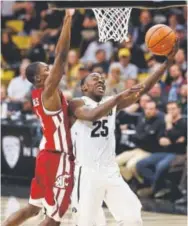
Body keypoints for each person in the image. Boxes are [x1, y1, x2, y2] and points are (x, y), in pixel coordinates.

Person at [69, 41, 178, 226]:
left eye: (102, 79)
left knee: (133, 219)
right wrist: (119, 97)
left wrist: (166, 64)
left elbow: (143, 88)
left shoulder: (112, 102)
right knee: (87, 223)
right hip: (87, 172)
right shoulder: (77, 103)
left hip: (110, 170)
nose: (100, 81)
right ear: (84, 87)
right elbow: (92, 115)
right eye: (95, 79)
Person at [3, 9, 75, 226]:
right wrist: (68, 19)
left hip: (46, 155)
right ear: (37, 78)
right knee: (54, 218)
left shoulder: (38, 96)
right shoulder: (48, 92)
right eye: (46, 69)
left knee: (32, 208)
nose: (50, 69)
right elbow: (61, 56)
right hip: (57, 157)